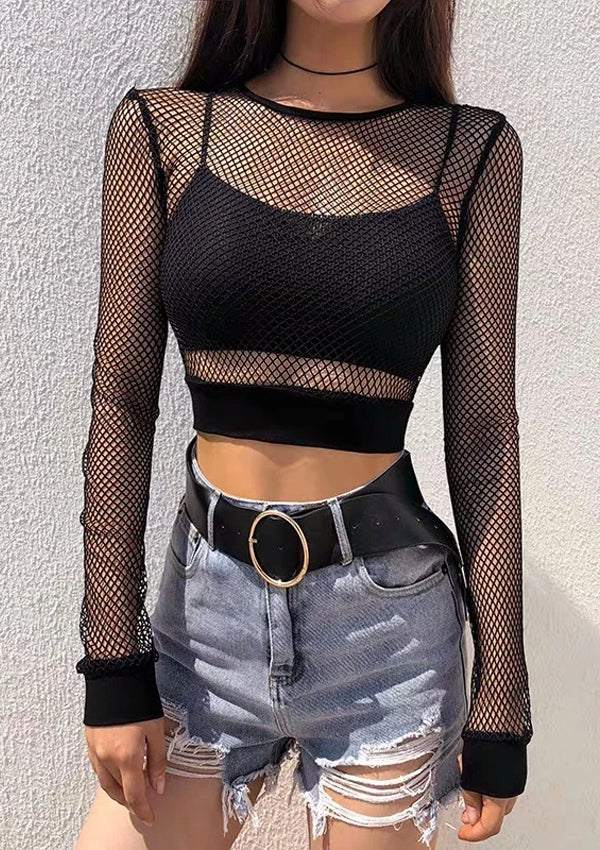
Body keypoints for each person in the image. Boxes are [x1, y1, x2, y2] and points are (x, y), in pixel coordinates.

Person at [74, 1, 533, 847]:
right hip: (202, 629)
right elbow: (122, 400)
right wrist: (111, 658)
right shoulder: (166, 132)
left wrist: (503, 692)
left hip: (387, 641)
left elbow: (484, 437)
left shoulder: (469, 154)